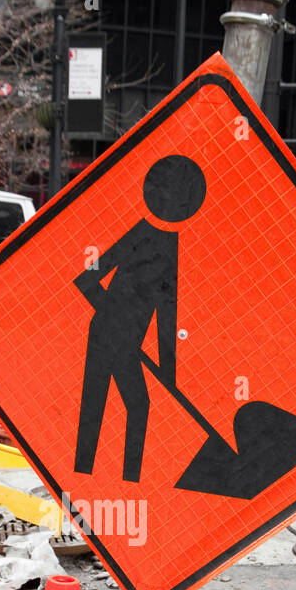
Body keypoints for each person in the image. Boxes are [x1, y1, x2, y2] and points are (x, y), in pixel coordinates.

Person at [73, 154, 206, 483]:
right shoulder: (139, 234)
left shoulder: (171, 246)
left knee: (138, 405)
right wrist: (113, 318)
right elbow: (87, 279)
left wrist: (169, 371)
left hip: (127, 342)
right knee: (95, 405)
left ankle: (129, 480)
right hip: (106, 334)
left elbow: (166, 313)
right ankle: (83, 476)